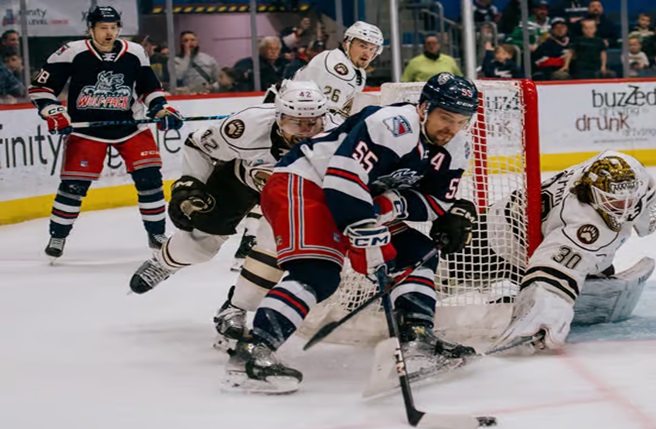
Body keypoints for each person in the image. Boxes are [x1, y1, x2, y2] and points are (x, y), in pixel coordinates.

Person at [221, 73, 480, 394]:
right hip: (305, 182)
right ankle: (252, 352)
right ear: (424, 108)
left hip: (358, 197)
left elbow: (436, 201)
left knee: (415, 252)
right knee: (318, 272)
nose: (452, 128)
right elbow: (343, 178)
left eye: (461, 121)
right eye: (446, 118)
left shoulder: (457, 145)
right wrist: (367, 237)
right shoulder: (393, 123)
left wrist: (390, 208)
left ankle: (416, 339)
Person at [128, 80, 328, 294]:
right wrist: (191, 183)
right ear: (278, 117)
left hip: (298, 197)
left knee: (277, 253)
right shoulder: (247, 126)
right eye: (295, 123)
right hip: (242, 179)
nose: (304, 133)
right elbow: (197, 145)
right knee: (200, 245)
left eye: (312, 123)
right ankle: (163, 263)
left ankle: (237, 307)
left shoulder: (340, 134)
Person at [28, 5, 183, 260]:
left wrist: (161, 109)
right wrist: (53, 112)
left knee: (150, 179)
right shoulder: (71, 52)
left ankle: (156, 234)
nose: (109, 33)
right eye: (103, 28)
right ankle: (58, 235)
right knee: (74, 186)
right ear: (91, 29)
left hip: (130, 126)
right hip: (88, 130)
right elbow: (40, 89)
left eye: (113, 28)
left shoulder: (135, 52)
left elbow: (149, 89)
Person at [474, 151, 656, 354]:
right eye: (614, 202)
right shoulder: (583, 224)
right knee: (442, 277)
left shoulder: (615, 168)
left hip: (502, 220)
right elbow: (552, 267)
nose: (624, 208)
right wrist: (548, 303)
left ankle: (593, 270)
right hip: (492, 249)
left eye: (629, 199)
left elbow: (643, 186)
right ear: (593, 194)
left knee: (596, 252)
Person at [228, 21, 384, 272]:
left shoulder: (355, 70)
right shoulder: (337, 67)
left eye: (373, 48)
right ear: (347, 43)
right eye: (362, 45)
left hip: (300, 122)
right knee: (276, 179)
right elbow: (328, 116)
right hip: (287, 123)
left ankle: (254, 242)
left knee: (281, 180)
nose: (367, 52)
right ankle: (250, 243)